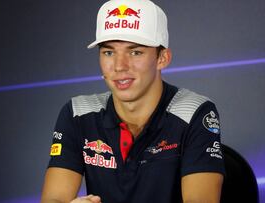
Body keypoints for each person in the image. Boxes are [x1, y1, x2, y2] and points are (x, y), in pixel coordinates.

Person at [41, 0, 225, 202]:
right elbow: (54, 199)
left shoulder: (194, 112)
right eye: (108, 52)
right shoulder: (77, 112)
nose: (119, 66)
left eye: (135, 52)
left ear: (163, 58)